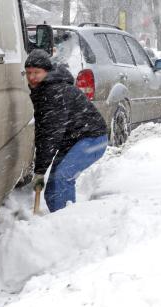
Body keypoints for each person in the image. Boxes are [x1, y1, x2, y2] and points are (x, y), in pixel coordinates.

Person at [25, 49, 108, 213]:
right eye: (28, 73)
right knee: (53, 189)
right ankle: (57, 221)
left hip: (92, 138)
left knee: (62, 179)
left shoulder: (54, 92)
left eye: (37, 72)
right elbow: (43, 132)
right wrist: (40, 170)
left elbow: (51, 133)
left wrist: (40, 170)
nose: (32, 77)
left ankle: (67, 224)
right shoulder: (41, 91)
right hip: (73, 139)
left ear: (47, 72)